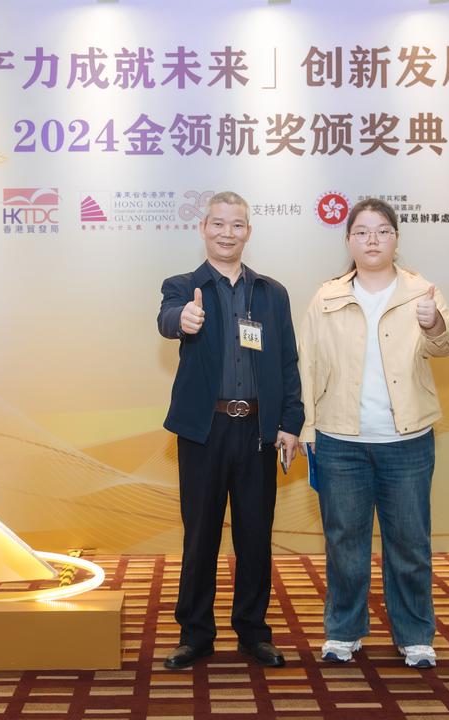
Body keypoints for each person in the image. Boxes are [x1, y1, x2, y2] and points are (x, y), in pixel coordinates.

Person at [297, 197, 449, 669]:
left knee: (409, 544)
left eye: (383, 230)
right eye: (362, 231)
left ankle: (415, 635)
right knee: (344, 543)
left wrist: (433, 322)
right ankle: (343, 631)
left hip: (406, 441)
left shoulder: (421, 292)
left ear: (396, 239)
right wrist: (306, 427)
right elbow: (306, 364)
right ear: (348, 240)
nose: (372, 239)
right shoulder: (326, 296)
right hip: (339, 440)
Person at [157, 191, 304, 669]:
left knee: (255, 536)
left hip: (258, 431)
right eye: (218, 224)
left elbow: (287, 361)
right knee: (200, 535)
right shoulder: (184, 287)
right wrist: (184, 319)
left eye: (236, 225)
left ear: (248, 232)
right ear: (203, 228)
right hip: (204, 430)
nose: (227, 233)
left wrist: (290, 423)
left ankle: (253, 632)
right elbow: (167, 319)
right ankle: (195, 634)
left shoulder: (271, 293)